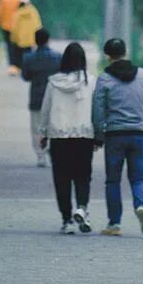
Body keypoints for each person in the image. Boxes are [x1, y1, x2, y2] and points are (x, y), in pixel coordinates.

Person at [92, 37, 143, 238]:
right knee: (138, 178)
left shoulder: (104, 79)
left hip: (115, 135)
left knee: (113, 181)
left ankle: (114, 224)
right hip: (139, 134)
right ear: (126, 52)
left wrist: (99, 134)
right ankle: (141, 206)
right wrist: (142, 119)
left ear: (107, 56)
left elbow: (98, 111)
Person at [39, 42, 96, 234]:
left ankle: (67, 219)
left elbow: (46, 109)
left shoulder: (53, 83)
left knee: (61, 178)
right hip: (84, 135)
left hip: (59, 136)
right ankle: (82, 208)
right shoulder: (91, 82)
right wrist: (98, 134)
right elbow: (96, 110)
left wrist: (43, 133)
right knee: (83, 176)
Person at [21, 28, 61, 167]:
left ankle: (40, 155)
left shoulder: (28, 57)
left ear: (35, 40)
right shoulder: (57, 57)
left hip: (36, 97)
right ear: (48, 40)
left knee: (36, 127)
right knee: (52, 126)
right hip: (54, 97)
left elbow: (25, 76)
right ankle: (52, 150)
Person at [0, 0, 26, 75]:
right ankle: (20, 65)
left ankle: (12, 66)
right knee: (19, 46)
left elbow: (0, 12)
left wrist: (0, 22)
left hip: (6, 26)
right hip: (20, 27)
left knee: (9, 46)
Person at [10, 0, 42, 70]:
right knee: (30, 54)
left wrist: (13, 38)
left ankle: (21, 68)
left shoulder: (17, 13)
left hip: (20, 39)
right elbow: (38, 25)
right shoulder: (34, 12)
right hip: (31, 39)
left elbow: (14, 28)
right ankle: (29, 68)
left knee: (20, 54)